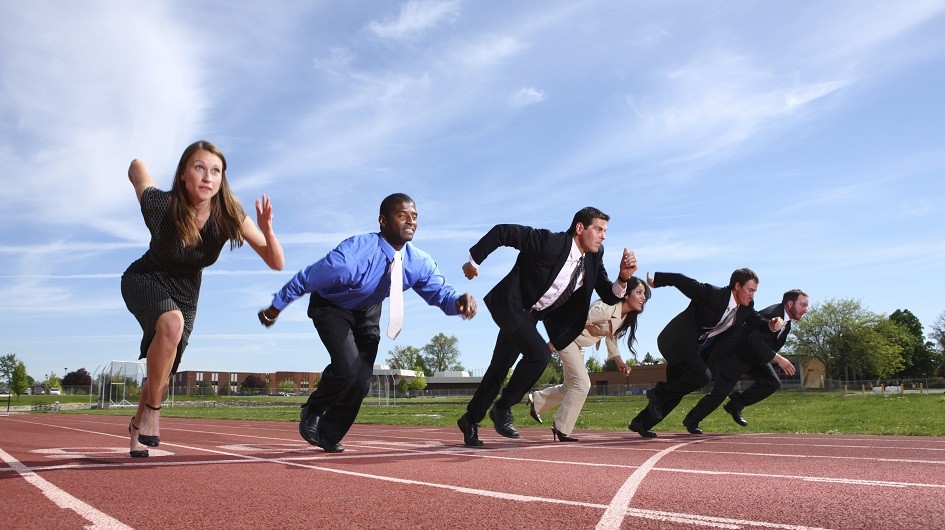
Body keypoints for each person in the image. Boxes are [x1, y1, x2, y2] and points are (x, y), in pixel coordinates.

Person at [258, 193, 476, 453]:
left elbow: (439, 293)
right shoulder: (351, 257)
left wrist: (456, 302)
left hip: (368, 310)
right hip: (331, 306)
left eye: (414, 216)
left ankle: (329, 433)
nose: (410, 221)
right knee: (347, 367)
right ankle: (313, 409)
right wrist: (274, 308)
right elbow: (306, 279)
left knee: (361, 380)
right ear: (383, 221)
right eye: (401, 215)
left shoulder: (418, 262)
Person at [122, 140, 285, 458]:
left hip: (186, 292)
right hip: (144, 278)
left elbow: (275, 261)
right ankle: (154, 411)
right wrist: (138, 162)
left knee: (164, 370)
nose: (208, 177)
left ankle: (135, 429)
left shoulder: (227, 215)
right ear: (184, 173)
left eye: (216, 171)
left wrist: (268, 229)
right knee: (171, 323)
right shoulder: (161, 205)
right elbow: (137, 170)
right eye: (199, 167)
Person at [457, 207, 637, 447]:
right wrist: (473, 261)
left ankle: (470, 419)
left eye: (605, 231)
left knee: (499, 368)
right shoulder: (548, 241)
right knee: (540, 354)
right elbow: (502, 232)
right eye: (598, 229)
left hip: (532, 316)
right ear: (580, 228)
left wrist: (623, 278)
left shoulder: (595, 255)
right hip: (510, 304)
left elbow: (607, 292)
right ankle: (502, 407)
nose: (603, 236)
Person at [627, 268, 783, 438]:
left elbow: (756, 320)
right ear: (737, 286)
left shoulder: (745, 307)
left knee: (678, 387)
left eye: (755, 291)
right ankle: (657, 392)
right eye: (750, 290)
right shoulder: (713, 294)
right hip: (676, 341)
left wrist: (771, 324)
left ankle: (641, 423)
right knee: (701, 377)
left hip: (694, 349)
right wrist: (656, 280)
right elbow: (682, 280)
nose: (752, 295)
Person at [528, 276, 651, 442]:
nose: (643, 297)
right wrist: (551, 345)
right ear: (626, 295)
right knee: (582, 383)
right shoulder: (605, 309)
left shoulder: (625, 316)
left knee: (571, 386)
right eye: (639, 292)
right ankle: (561, 428)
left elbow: (611, 338)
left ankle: (538, 400)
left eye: (644, 293)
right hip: (567, 338)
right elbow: (574, 320)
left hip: (579, 343)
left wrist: (620, 362)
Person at [682, 289, 809, 432]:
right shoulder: (771, 314)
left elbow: (769, 345)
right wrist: (779, 359)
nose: (805, 310)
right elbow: (754, 340)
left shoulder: (787, 324)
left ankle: (735, 404)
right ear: (790, 303)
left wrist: (773, 358)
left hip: (755, 358)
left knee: (771, 382)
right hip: (735, 355)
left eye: (806, 306)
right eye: (803, 305)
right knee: (720, 393)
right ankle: (691, 420)